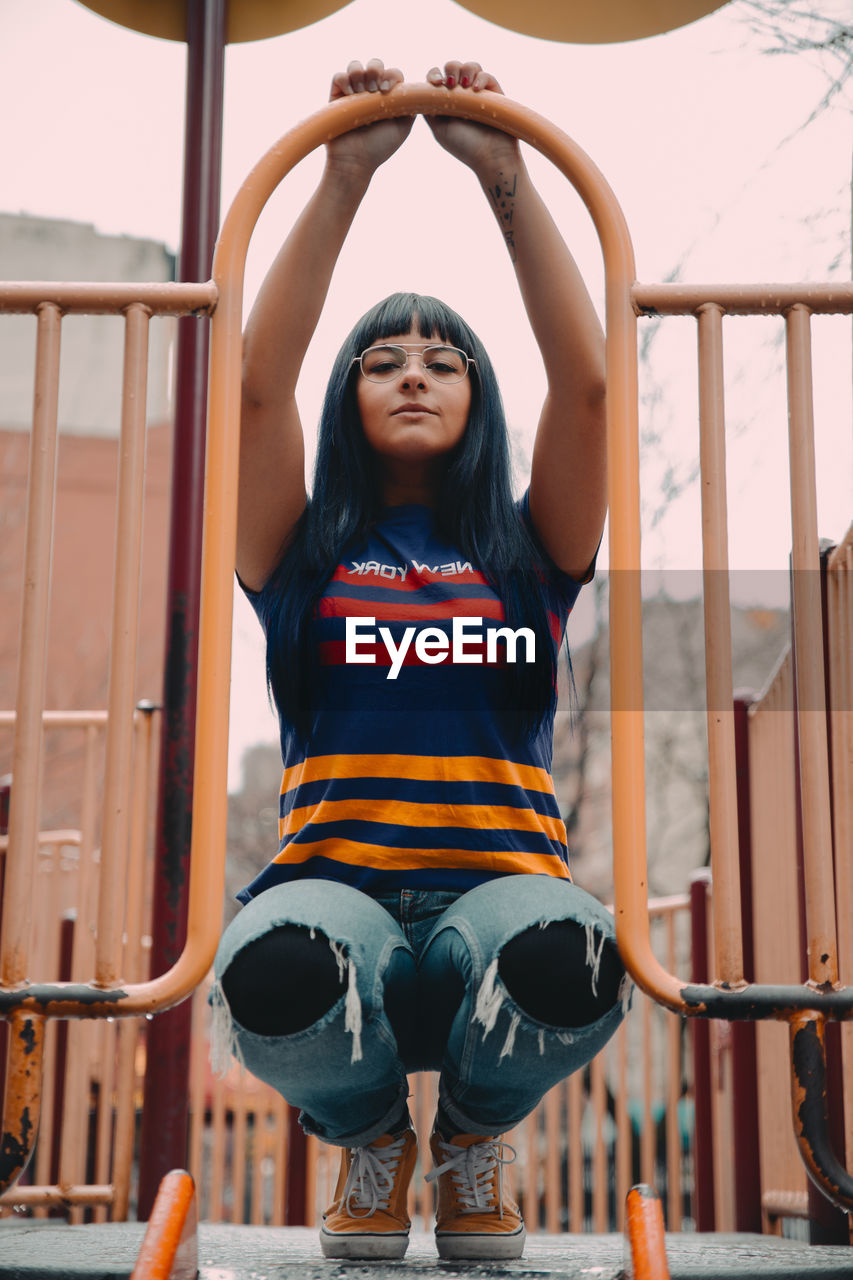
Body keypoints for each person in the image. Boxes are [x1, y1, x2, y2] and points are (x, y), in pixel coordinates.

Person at [211, 59, 628, 1261]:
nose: (410, 371)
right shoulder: (299, 552)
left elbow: (591, 388)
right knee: (274, 968)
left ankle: (474, 1136)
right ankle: (374, 1136)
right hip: (335, 893)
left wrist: (506, 181)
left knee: (576, 952)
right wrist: (343, 175)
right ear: (349, 398)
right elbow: (250, 387)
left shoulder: (525, 554)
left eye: (442, 360)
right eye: (382, 359)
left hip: (496, 900)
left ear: (477, 397)